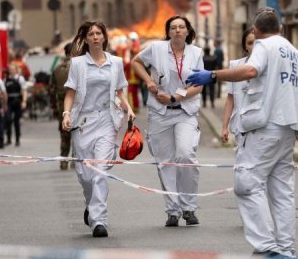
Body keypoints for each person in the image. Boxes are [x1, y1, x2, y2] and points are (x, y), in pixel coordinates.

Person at [187, 9, 298, 258]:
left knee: (247, 184)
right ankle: (286, 249)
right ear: (280, 28)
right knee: (282, 191)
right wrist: (283, 100)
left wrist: (212, 75)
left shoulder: (264, 46)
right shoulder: (296, 54)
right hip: (287, 128)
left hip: (263, 128)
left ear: (255, 31)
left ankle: (266, 246)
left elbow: (250, 71)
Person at [61, 20, 135, 238]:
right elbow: (70, 93)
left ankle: (99, 220)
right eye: (91, 34)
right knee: (86, 175)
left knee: (100, 171)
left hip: (107, 120)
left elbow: (120, 92)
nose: (95, 37)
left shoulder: (117, 62)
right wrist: (66, 114)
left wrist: (128, 109)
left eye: (98, 33)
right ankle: (90, 204)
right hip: (83, 121)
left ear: (104, 37)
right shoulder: (77, 64)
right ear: (85, 39)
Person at [131, 15, 205, 228]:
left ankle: (189, 207)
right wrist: (148, 80)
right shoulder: (155, 49)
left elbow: (199, 85)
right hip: (160, 112)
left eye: (181, 27)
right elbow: (136, 62)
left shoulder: (196, 53)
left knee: (185, 154)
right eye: (173, 28)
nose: (177, 31)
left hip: (185, 111)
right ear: (168, 31)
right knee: (165, 161)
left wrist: (175, 97)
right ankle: (173, 210)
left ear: (188, 31)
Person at [220, 29, 256, 145]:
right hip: (240, 126)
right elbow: (230, 98)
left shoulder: (271, 66)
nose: (254, 47)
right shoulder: (235, 66)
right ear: (245, 46)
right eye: (250, 43)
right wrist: (224, 127)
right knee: (243, 161)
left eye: (257, 42)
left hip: (262, 126)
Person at [47, 43, 72, 170]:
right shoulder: (79, 67)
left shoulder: (57, 69)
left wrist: (55, 107)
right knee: (78, 133)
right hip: (78, 105)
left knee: (64, 133)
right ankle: (76, 160)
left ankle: (64, 160)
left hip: (62, 105)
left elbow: (51, 90)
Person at [3, 64, 27, 146]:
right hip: (9, 101)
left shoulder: (20, 78)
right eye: (10, 69)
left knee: (16, 121)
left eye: (13, 69)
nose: (12, 71)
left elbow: (24, 91)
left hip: (17, 101)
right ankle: (9, 138)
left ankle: (17, 139)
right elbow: (4, 92)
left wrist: (24, 101)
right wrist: (4, 104)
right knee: (8, 120)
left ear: (16, 70)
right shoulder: (6, 79)